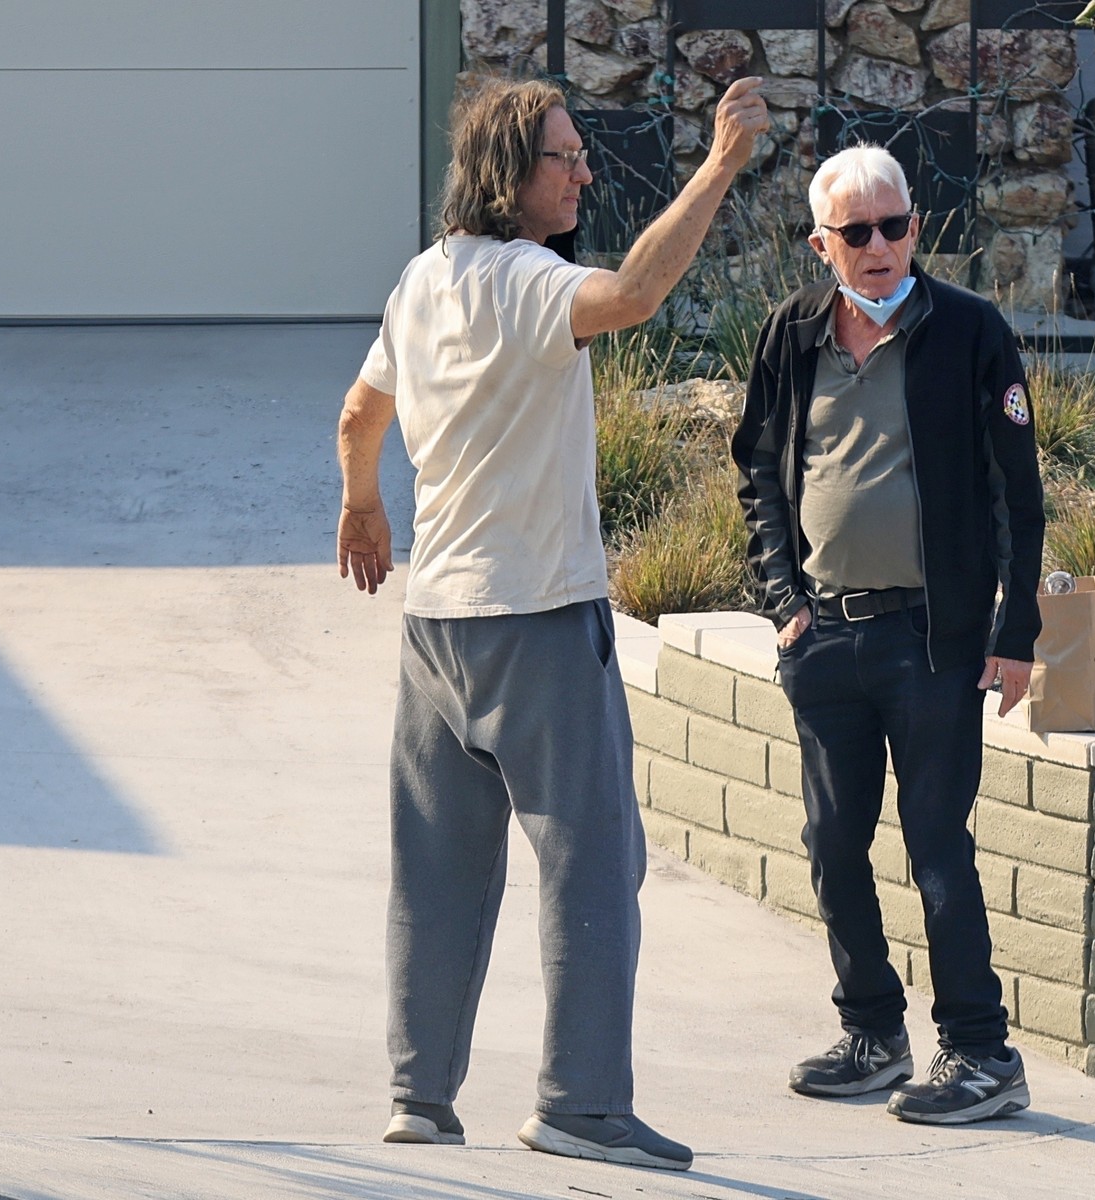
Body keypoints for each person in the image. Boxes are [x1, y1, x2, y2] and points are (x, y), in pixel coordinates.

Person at [335, 73, 768, 1171]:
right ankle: (580, 1104)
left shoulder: (421, 281)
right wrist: (718, 168)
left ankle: (418, 1096)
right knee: (593, 864)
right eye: (562, 158)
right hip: (538, 620)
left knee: (434, 874)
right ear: (506, 176)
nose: (582, 171)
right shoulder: (530, 280)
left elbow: (359, 413)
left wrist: (365, 504)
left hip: (435, 628)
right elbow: (629, 298)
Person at [731, 145, 1046, 1125]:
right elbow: (756, 474)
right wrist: (781, 600)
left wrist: (1017, 629)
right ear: (822, 243)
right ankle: (872, 1032)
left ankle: (982, 1053)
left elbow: (1018, 493)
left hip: (932, 642)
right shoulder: (792, 335)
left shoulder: (969, 332)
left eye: (895, 226)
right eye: (856, 232)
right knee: (832, 842)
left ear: (916, 225)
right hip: (823, 639)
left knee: (935, 846)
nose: (879, 247)